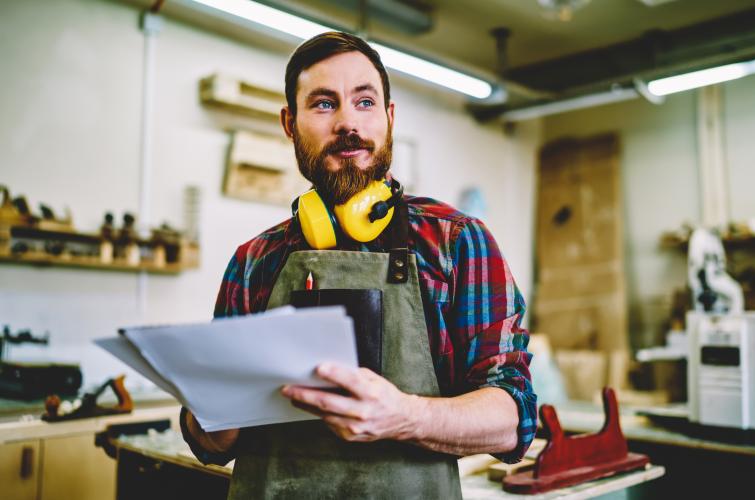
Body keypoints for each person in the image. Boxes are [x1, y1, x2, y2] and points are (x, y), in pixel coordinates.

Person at [181, 31, 537, 499]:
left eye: (365, 102)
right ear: (290, 123)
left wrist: (406, 417)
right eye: (324, 104)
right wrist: (211, 417)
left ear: (389, 117)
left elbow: (513, 417)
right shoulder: (254, 261)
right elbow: (211, 443)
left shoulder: (456, 242)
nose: (348, 122)